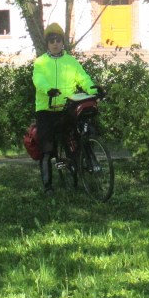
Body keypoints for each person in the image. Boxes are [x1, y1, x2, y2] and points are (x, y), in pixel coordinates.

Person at [32, 22, 97, 194]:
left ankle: (76, 170)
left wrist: (93, 89)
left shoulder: (71, 61)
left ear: (62, 42)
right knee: (47, 149)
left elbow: (83, 78)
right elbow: (38, 80)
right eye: (51, 41)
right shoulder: (40, 62)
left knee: (74, 141)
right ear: (47, 43)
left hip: (66, 107)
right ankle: (48, 187)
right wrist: (48, 89)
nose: (55, 44)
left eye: (58, 40)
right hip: (46, 109)